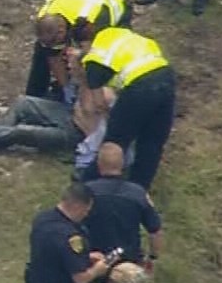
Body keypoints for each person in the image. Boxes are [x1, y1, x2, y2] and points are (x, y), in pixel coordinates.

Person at [72, 26, 177, 190]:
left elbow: (99, 105)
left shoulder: (95, 57)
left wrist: (113, 119)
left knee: (114, 142)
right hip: (166, 76)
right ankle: (139, 190)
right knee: (152, 142)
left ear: (86, 43)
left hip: (140, 87)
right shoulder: (116, 34)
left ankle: (88, 184)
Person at [28, 0, 132, 100]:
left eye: (56, 41)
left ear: (62, 31)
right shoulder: (46, 21)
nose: (55, 45)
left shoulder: (86, 25)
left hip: (111, 5)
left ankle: (116, 90)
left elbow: (91, 55)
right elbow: (53, 56)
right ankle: (34, 96)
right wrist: (66, 87)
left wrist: (84, 82)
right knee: (41, 51)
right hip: (76, 0)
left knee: (106, 54)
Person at [84, 144, 163, 267]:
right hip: (127, 263)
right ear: (122, 164)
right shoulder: (138, 193)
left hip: (92, 260)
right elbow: (155, 231)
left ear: (98, 163)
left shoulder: (85, 192)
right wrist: (152, 257)